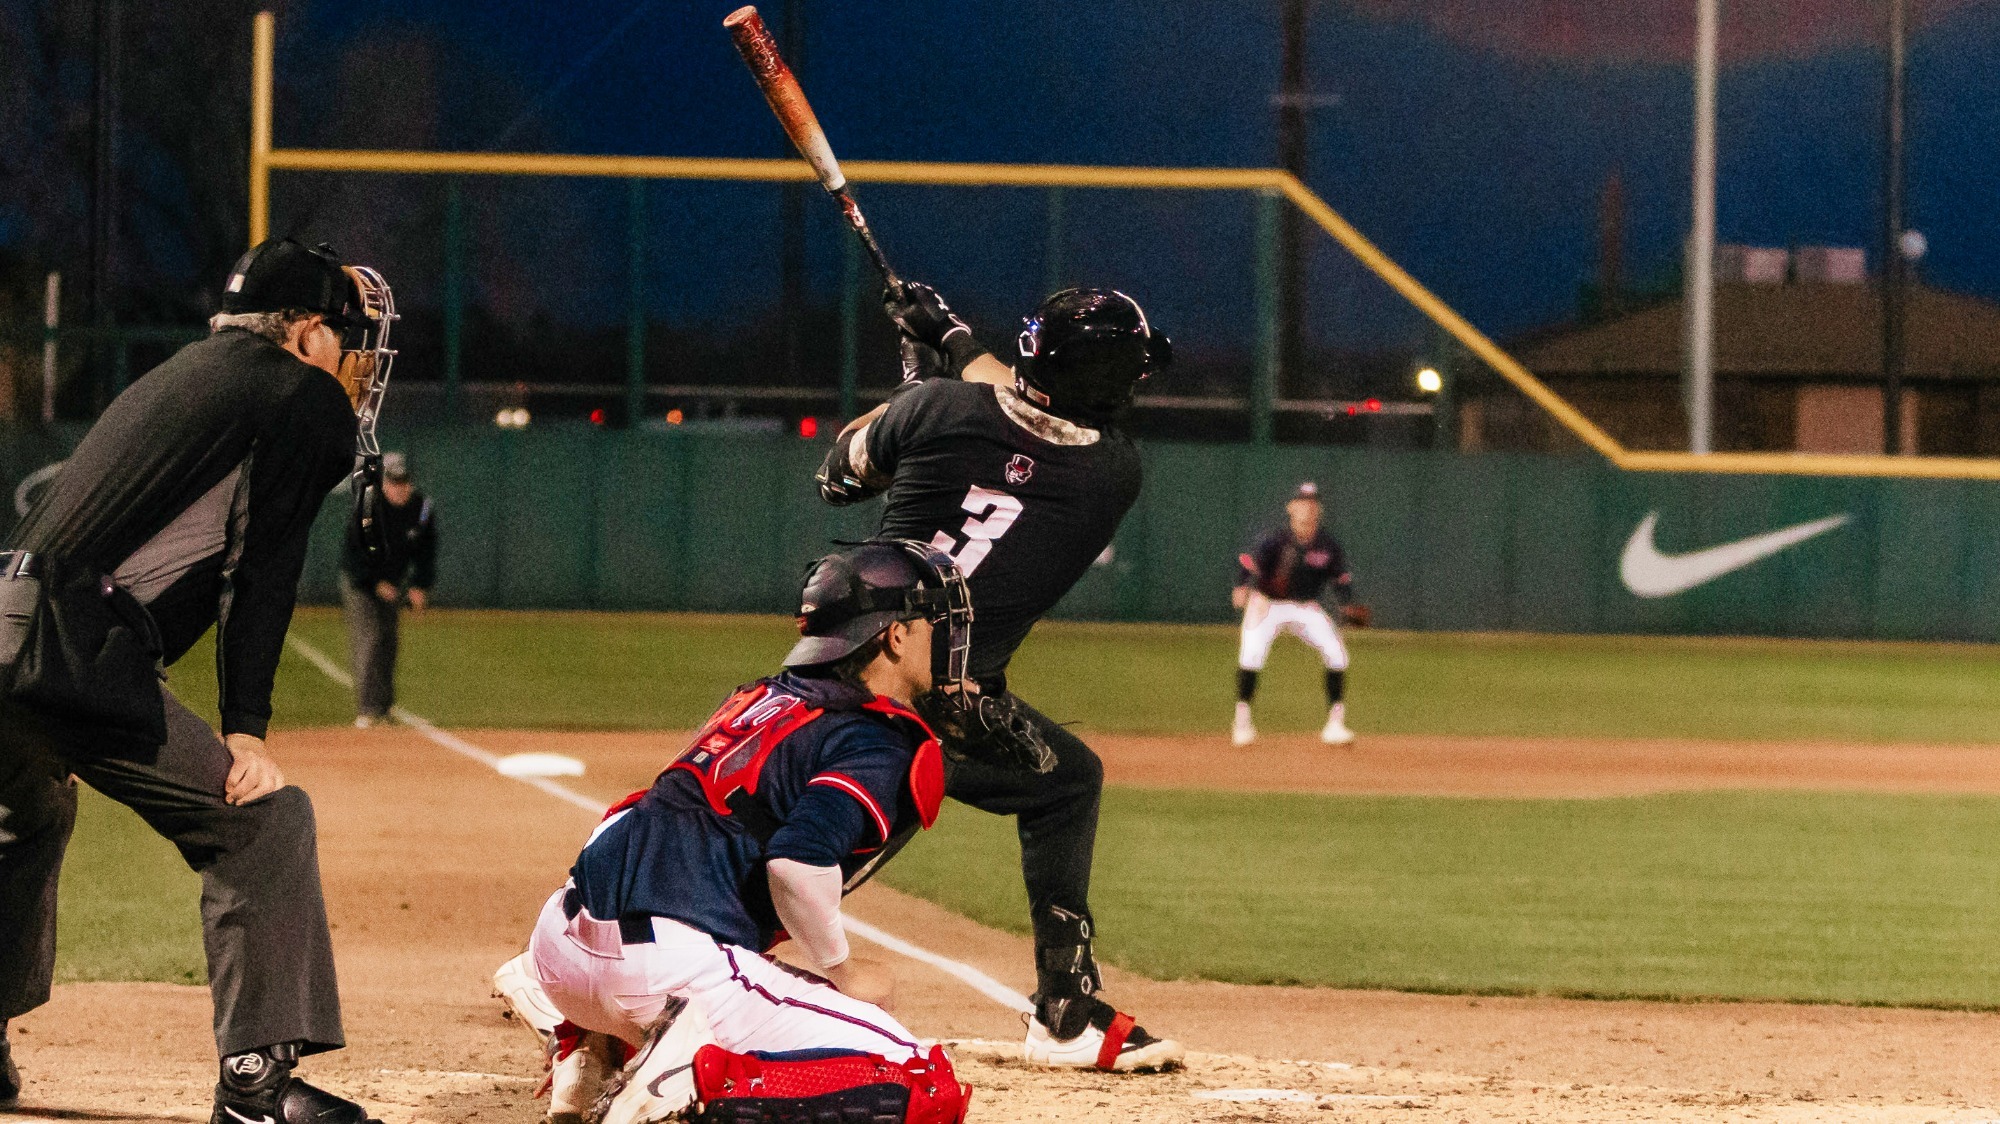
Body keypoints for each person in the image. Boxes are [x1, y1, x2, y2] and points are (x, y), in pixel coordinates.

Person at [0, 238, 397, 1123]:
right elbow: (262, 571)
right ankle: (256, 1086)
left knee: (32, 812)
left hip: (10, 625)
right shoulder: (299, 394)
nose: (353, 356)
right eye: (341, 334)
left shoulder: (183, 376)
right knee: (262, 824)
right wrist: (245, 729)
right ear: (304, 334)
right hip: (67, 647)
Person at [812, 281, 1184, 1071]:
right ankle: (1065, 1012)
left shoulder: (939, 409)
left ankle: (1067, 1011)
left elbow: (839, 476)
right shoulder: (1111, 472)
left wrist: (916, 383)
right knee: (807, 874)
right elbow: (1027, 416)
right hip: (947, 709)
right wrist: (949, 343)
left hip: (840, 674)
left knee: (801, 859)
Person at [515, 542, 972, 1124]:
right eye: (932, 621)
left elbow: (626, 813)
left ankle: (589, 1050)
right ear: (896, 636)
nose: (945, 636)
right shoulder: (874, 735)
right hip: (661, 970)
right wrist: (843, 968)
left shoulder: (763, 698)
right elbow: (796, 864)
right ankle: (681, 1080)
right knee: (921, 1083)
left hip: (556, 946)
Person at [1230, 481, 1366, 747]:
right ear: (1291, 508)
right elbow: (1249, 563)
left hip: (1305, 607)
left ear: (1319, 510)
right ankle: (1242, 723)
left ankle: (1335, 725)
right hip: (1267, 605)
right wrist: (1242, 587)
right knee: (1251, 656)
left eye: (1312, 504)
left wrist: (1347, 604)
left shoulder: (1327, 545)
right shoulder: (1274, 540)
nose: (1307, 509)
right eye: (1302, 503)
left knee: (1337, 654)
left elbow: (1340, 579)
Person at [339, 451, 435, 727]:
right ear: (383, 484)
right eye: (394, 482)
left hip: (392, 582)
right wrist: (376, 583)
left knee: (389, 643)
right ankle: (368, 709)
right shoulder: (368, 508)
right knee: (369, 639)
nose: (400, 488)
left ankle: (385, 707)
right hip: (360, 582)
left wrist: (420, 585)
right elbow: (354, 555)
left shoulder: (421, 508)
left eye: (404, 482)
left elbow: (426, 552)